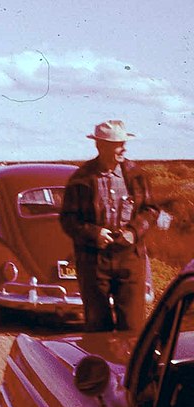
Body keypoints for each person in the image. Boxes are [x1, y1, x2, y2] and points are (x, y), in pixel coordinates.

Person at [60, 120, 159, 332]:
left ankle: (129, 365)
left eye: (124, 143)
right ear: (101, 146)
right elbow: (68, 219)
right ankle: (104, 366)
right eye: (118, 144)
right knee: (98, 328)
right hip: (93, 261)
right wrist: (95, 234)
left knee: (133, 327)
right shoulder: (81, 179)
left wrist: (133, 232)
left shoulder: (136, 175)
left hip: (130, 258)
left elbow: (150, 210)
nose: (124, 148)